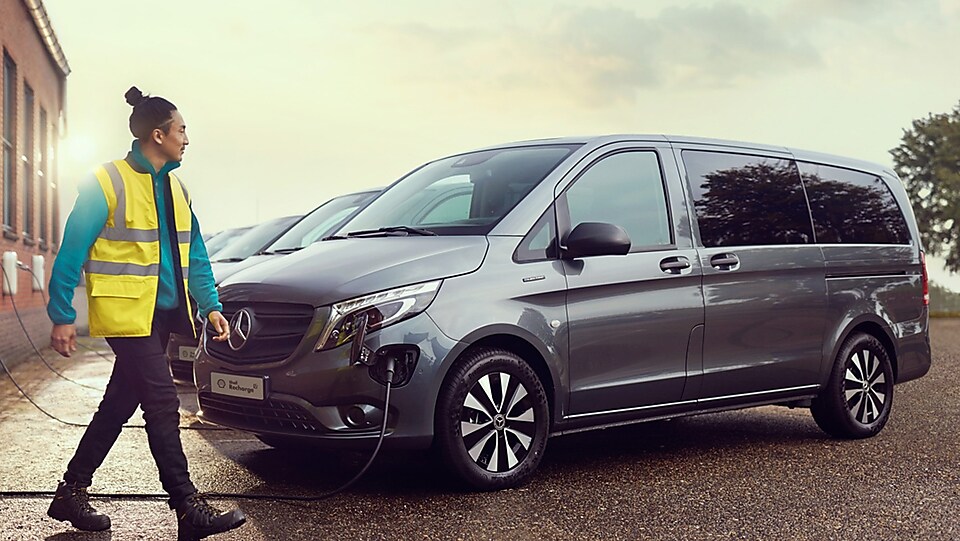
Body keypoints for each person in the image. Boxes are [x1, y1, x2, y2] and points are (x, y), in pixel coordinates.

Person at [44, 86, 246, 540]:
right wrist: (61, 313)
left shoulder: (177, 187)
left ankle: (71, 491)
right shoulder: (106, 182)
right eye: (181, 129)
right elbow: (71, 249)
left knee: (118, 404)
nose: (187, 138)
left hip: (162, 317)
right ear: (158, 135)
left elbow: (195, 257)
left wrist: (211, 305)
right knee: (162, 403)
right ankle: (187, 505)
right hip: (125, 316)